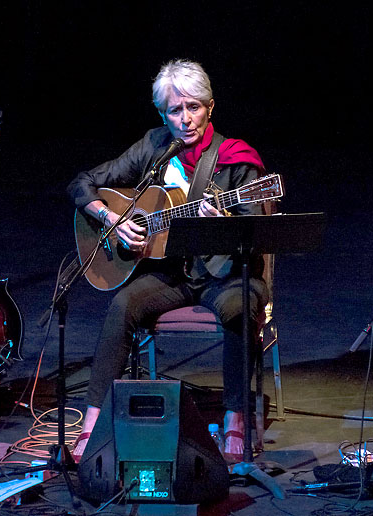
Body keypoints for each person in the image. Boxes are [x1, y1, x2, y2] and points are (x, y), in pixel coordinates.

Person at [67, 59, 268, 462]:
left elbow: (258, 231)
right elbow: (82, 182)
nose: (185, 119)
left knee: (239, 307)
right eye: (175, 111)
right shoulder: (154, 146)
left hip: (224, 273)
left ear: (210, 107)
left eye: (193, 107)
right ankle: (91, 424)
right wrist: (110, 218)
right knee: (122, 305)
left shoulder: (235, 157)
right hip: (171, 274)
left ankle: (234, 418)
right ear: (163, 114)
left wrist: (223, 224)